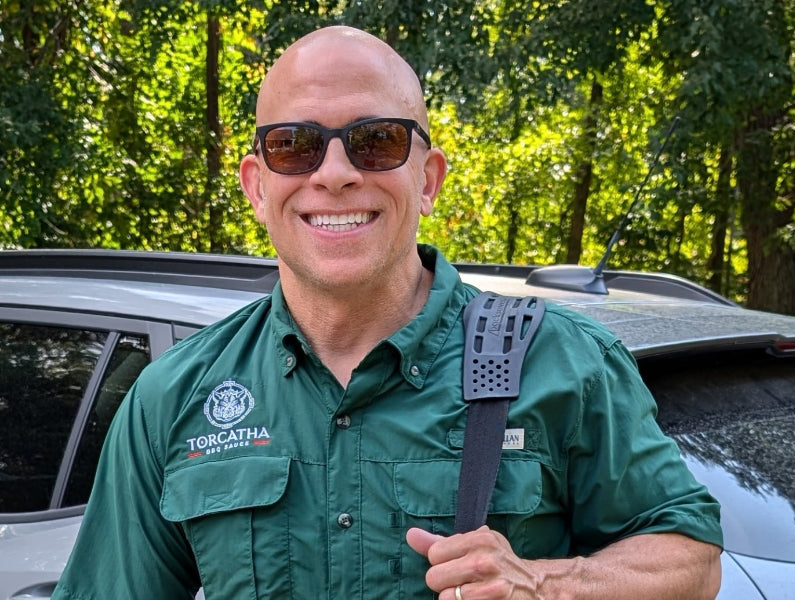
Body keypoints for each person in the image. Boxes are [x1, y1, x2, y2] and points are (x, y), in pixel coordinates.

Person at [52, 25, 722, 600]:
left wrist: (546, 583)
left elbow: (692, 558)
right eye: (294, 145)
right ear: (257, 187)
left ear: (427, 179)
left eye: (374, 141)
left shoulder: (563, 362)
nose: (334, 173)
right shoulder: (174, 396)